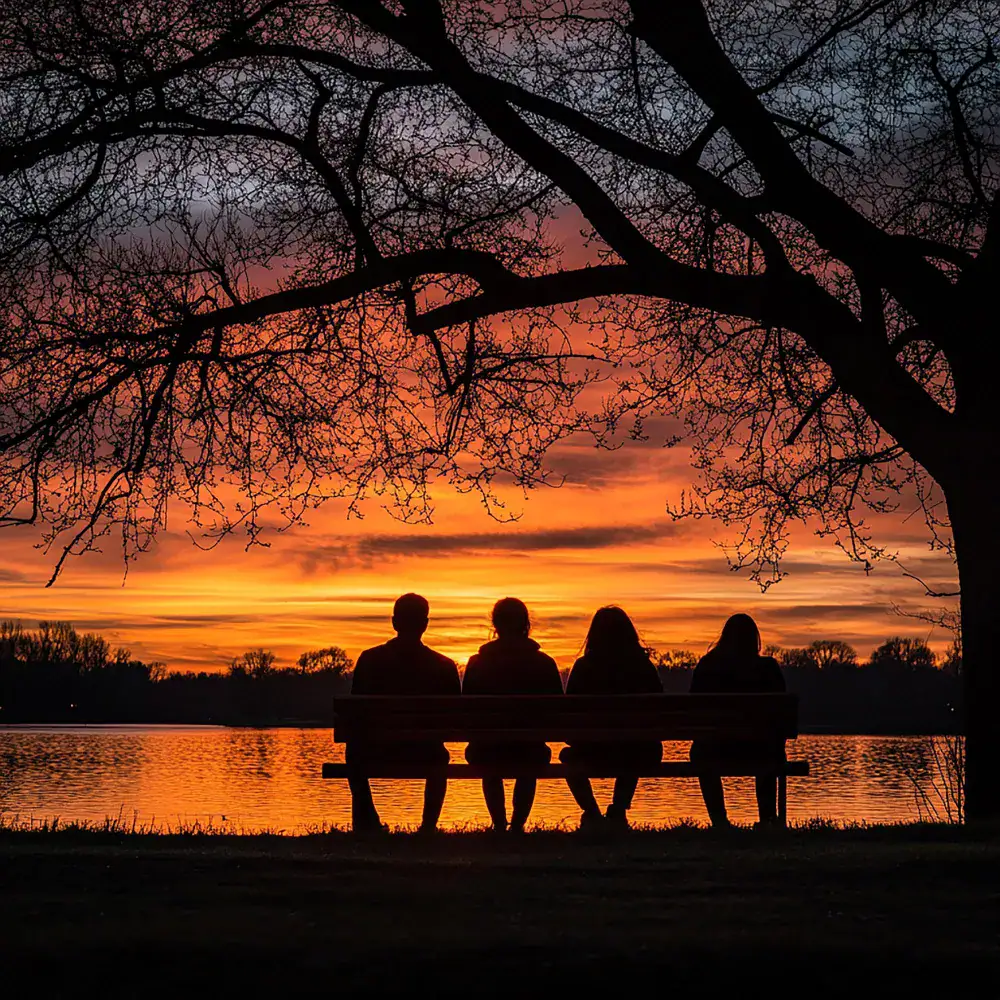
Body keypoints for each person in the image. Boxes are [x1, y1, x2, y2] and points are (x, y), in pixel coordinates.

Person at [346, 593, 461, 833]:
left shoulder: (369, 660)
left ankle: (367, 823)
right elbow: (455, 720)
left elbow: (355, 716)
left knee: (353, 751)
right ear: (425, 624)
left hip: (377, 751)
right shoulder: (444, 666)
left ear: (394, 622)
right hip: (427, 752)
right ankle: (428, 827)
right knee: (441, 756)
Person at [463, 598, 563, 833]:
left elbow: (466, 710)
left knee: (484, 751)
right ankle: (517, 825)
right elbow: (558, 713)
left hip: (486, 750)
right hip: (530, 750)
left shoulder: (477, 663)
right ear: (526, 624)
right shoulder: (544, 664)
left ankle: (499, 824)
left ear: (495, 624)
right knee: (533, 754)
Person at [560, 606, 663, 831]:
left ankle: (592, 812)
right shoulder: (642, 666)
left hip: (591, 749)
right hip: (635, 750)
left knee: (567, 756)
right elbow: (660, 712)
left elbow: (569, 716)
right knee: (639, 747)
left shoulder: (584, 667)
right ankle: (617, 810)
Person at [689, 613, 786, 827]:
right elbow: (780, 718)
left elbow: (693, 711)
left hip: (716, 749)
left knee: (699, 753)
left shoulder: (708, 667)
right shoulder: (768, 668)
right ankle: (768, 819)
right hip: (759, 750)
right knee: (771, 748)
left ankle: (719, 820)